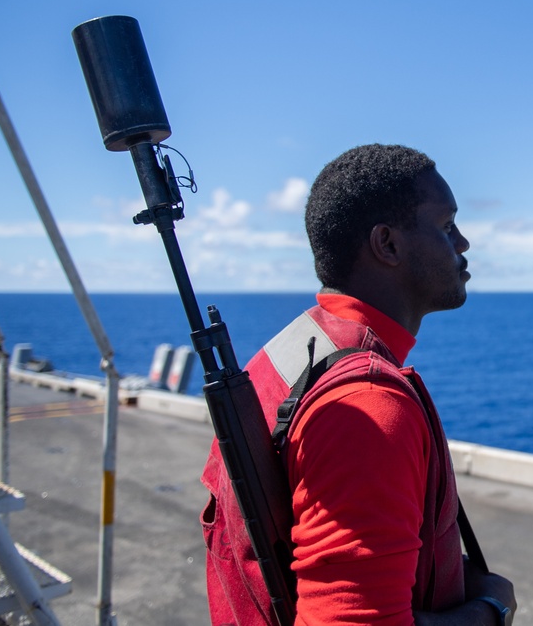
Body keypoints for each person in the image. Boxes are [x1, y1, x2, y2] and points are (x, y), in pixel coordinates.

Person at [201, 144, 516, 625]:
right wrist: (490, 610)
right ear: (387, 245)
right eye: (447, 225)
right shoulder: (368, 406)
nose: (464, 243)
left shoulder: (295, 348)